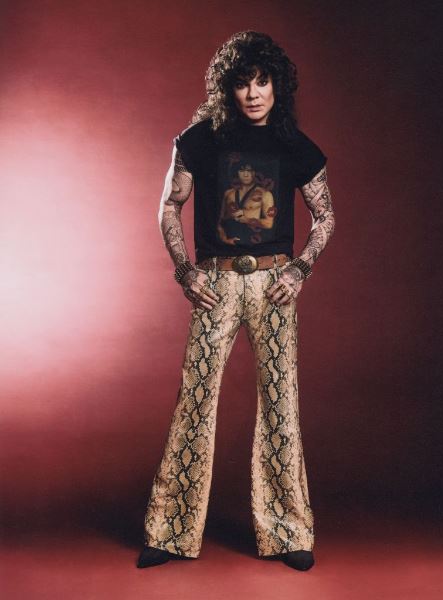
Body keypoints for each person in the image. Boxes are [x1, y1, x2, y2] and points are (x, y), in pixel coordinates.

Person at [137, 30, 335, 572]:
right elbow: (168, 206)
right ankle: (170, 531)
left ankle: (288, 532)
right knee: (195, 401)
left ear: (277, 86)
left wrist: (300, 268)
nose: (253, 93)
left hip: (274, 286)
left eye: (262, 82)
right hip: (215, 285)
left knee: (281, 404)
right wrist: (184, 271)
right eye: (243, 83)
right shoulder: (198, 140)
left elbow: (325, 216)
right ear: (227, 87)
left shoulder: (294, 145)